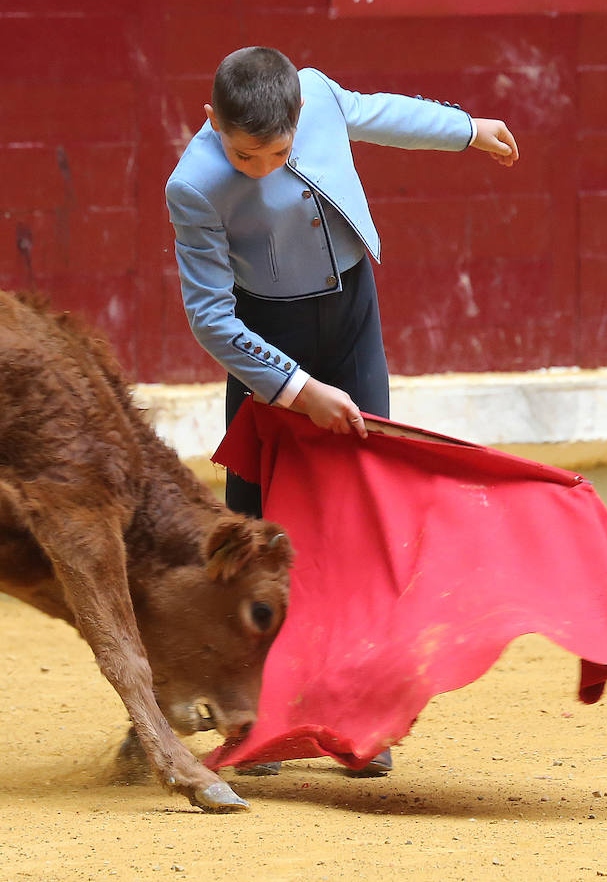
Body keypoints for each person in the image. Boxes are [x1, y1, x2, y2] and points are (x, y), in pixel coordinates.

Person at [165, 46, 519, 776]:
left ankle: (363, 717)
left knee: (361, 510)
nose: (260, 167)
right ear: (212, 123)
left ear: (298, 116)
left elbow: (381, 113)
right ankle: (254, 716)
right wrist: (294, 387)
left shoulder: (319, 94)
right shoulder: (194, 186)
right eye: (243, 155)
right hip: (264, 339)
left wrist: (466, 128)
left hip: (353, 315)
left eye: (277, 152)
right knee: (259, 529)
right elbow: (209, 318)